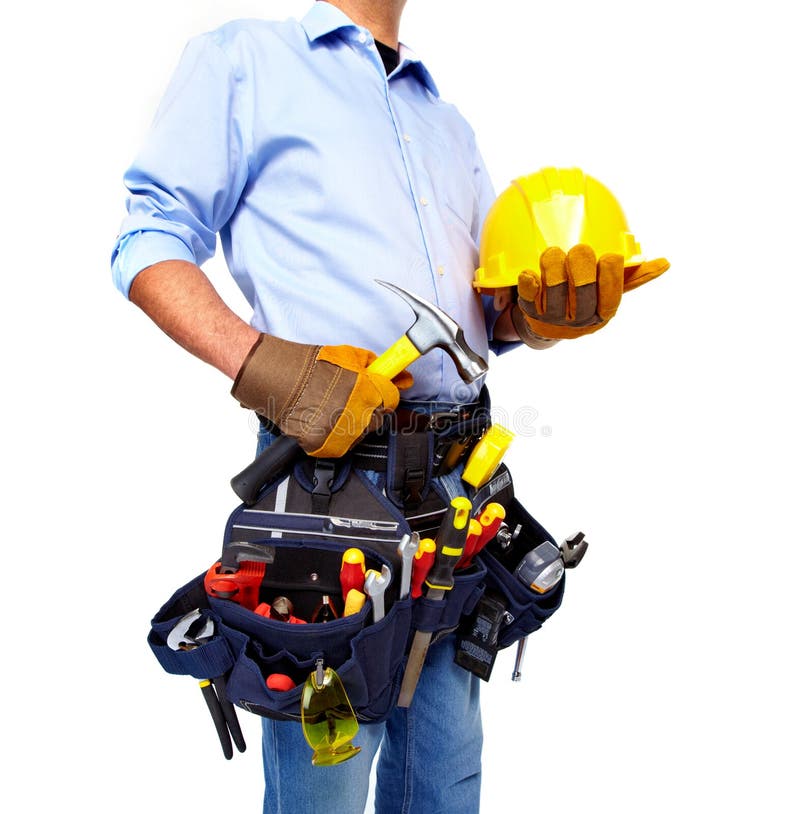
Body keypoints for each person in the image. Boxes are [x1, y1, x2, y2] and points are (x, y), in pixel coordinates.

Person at [112, 2, 668, 812]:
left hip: (458, 490)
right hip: (330, 492)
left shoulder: (444, 121)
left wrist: (538, 318)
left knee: (444, 782)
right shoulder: (245, 60)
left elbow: (483, 321)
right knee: (326, 784)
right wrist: (265, 366)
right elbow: (146, 242)